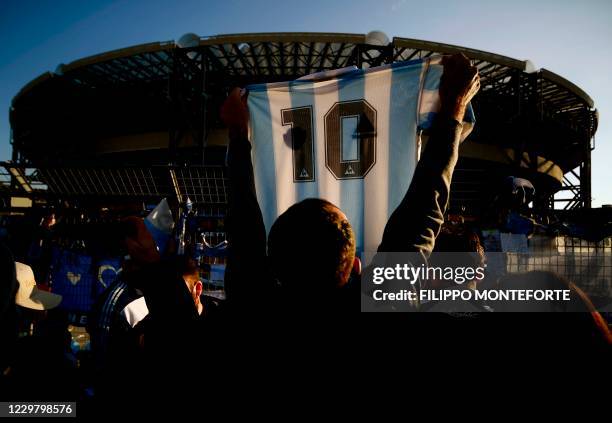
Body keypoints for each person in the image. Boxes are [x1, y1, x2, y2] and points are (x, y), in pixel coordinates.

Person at [221, 53, 480, 311]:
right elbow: (417, 219)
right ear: (356, 267)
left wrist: (237, 135)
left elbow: (245, 233)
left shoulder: (250, 303)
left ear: (272, 261)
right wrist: (454, 107)